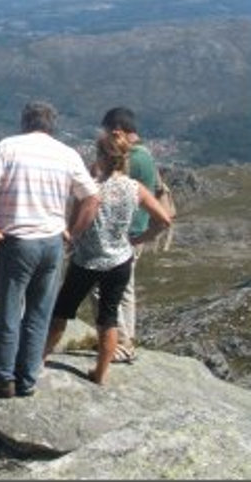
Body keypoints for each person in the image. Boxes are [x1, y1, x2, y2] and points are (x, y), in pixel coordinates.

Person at [0, 101, 100, 398]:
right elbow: (92, 198)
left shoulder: (8, 147)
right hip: (52, 243)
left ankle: (3, 377)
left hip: (17, 242)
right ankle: (27, 379)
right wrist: (72, 232)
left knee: (9, 311)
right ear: (52, 125)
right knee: (39, 314)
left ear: (24, 121)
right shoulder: (67, 153)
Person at [44, 130, 173, 385]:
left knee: (62, 311)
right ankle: (100, 373)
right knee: (108, 317)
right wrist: (137, 240)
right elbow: (164, 220)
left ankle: (39, 359)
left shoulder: (92, 188)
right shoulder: (135, 188)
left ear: (101, 156)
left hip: (87, 260)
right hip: (120, 261)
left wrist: (70, 239)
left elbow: (78, 223)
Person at [93, 106, 157, 363]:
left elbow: (110, 187)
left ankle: (118, 343)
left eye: (108, 133)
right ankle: (126, 341)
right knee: (125, 289)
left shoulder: (132, 158)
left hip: (123, 234)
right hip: (135, 232)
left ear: (117, 131)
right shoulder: (146, 155)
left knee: (104, 289)